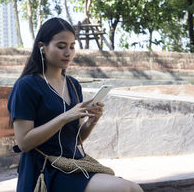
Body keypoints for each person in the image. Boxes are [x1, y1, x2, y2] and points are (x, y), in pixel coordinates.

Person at [8, 17, 143, 192]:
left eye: (72, 46)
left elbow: (77, 138)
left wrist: (91, 121)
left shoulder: (72, 84)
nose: (68, 53)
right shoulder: (26, 86)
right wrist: (65, 117)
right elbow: (24, 142)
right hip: (45, 169)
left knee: (135, 188)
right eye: (61, 46)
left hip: (73, 164)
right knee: (122, 189)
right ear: (42, 47)